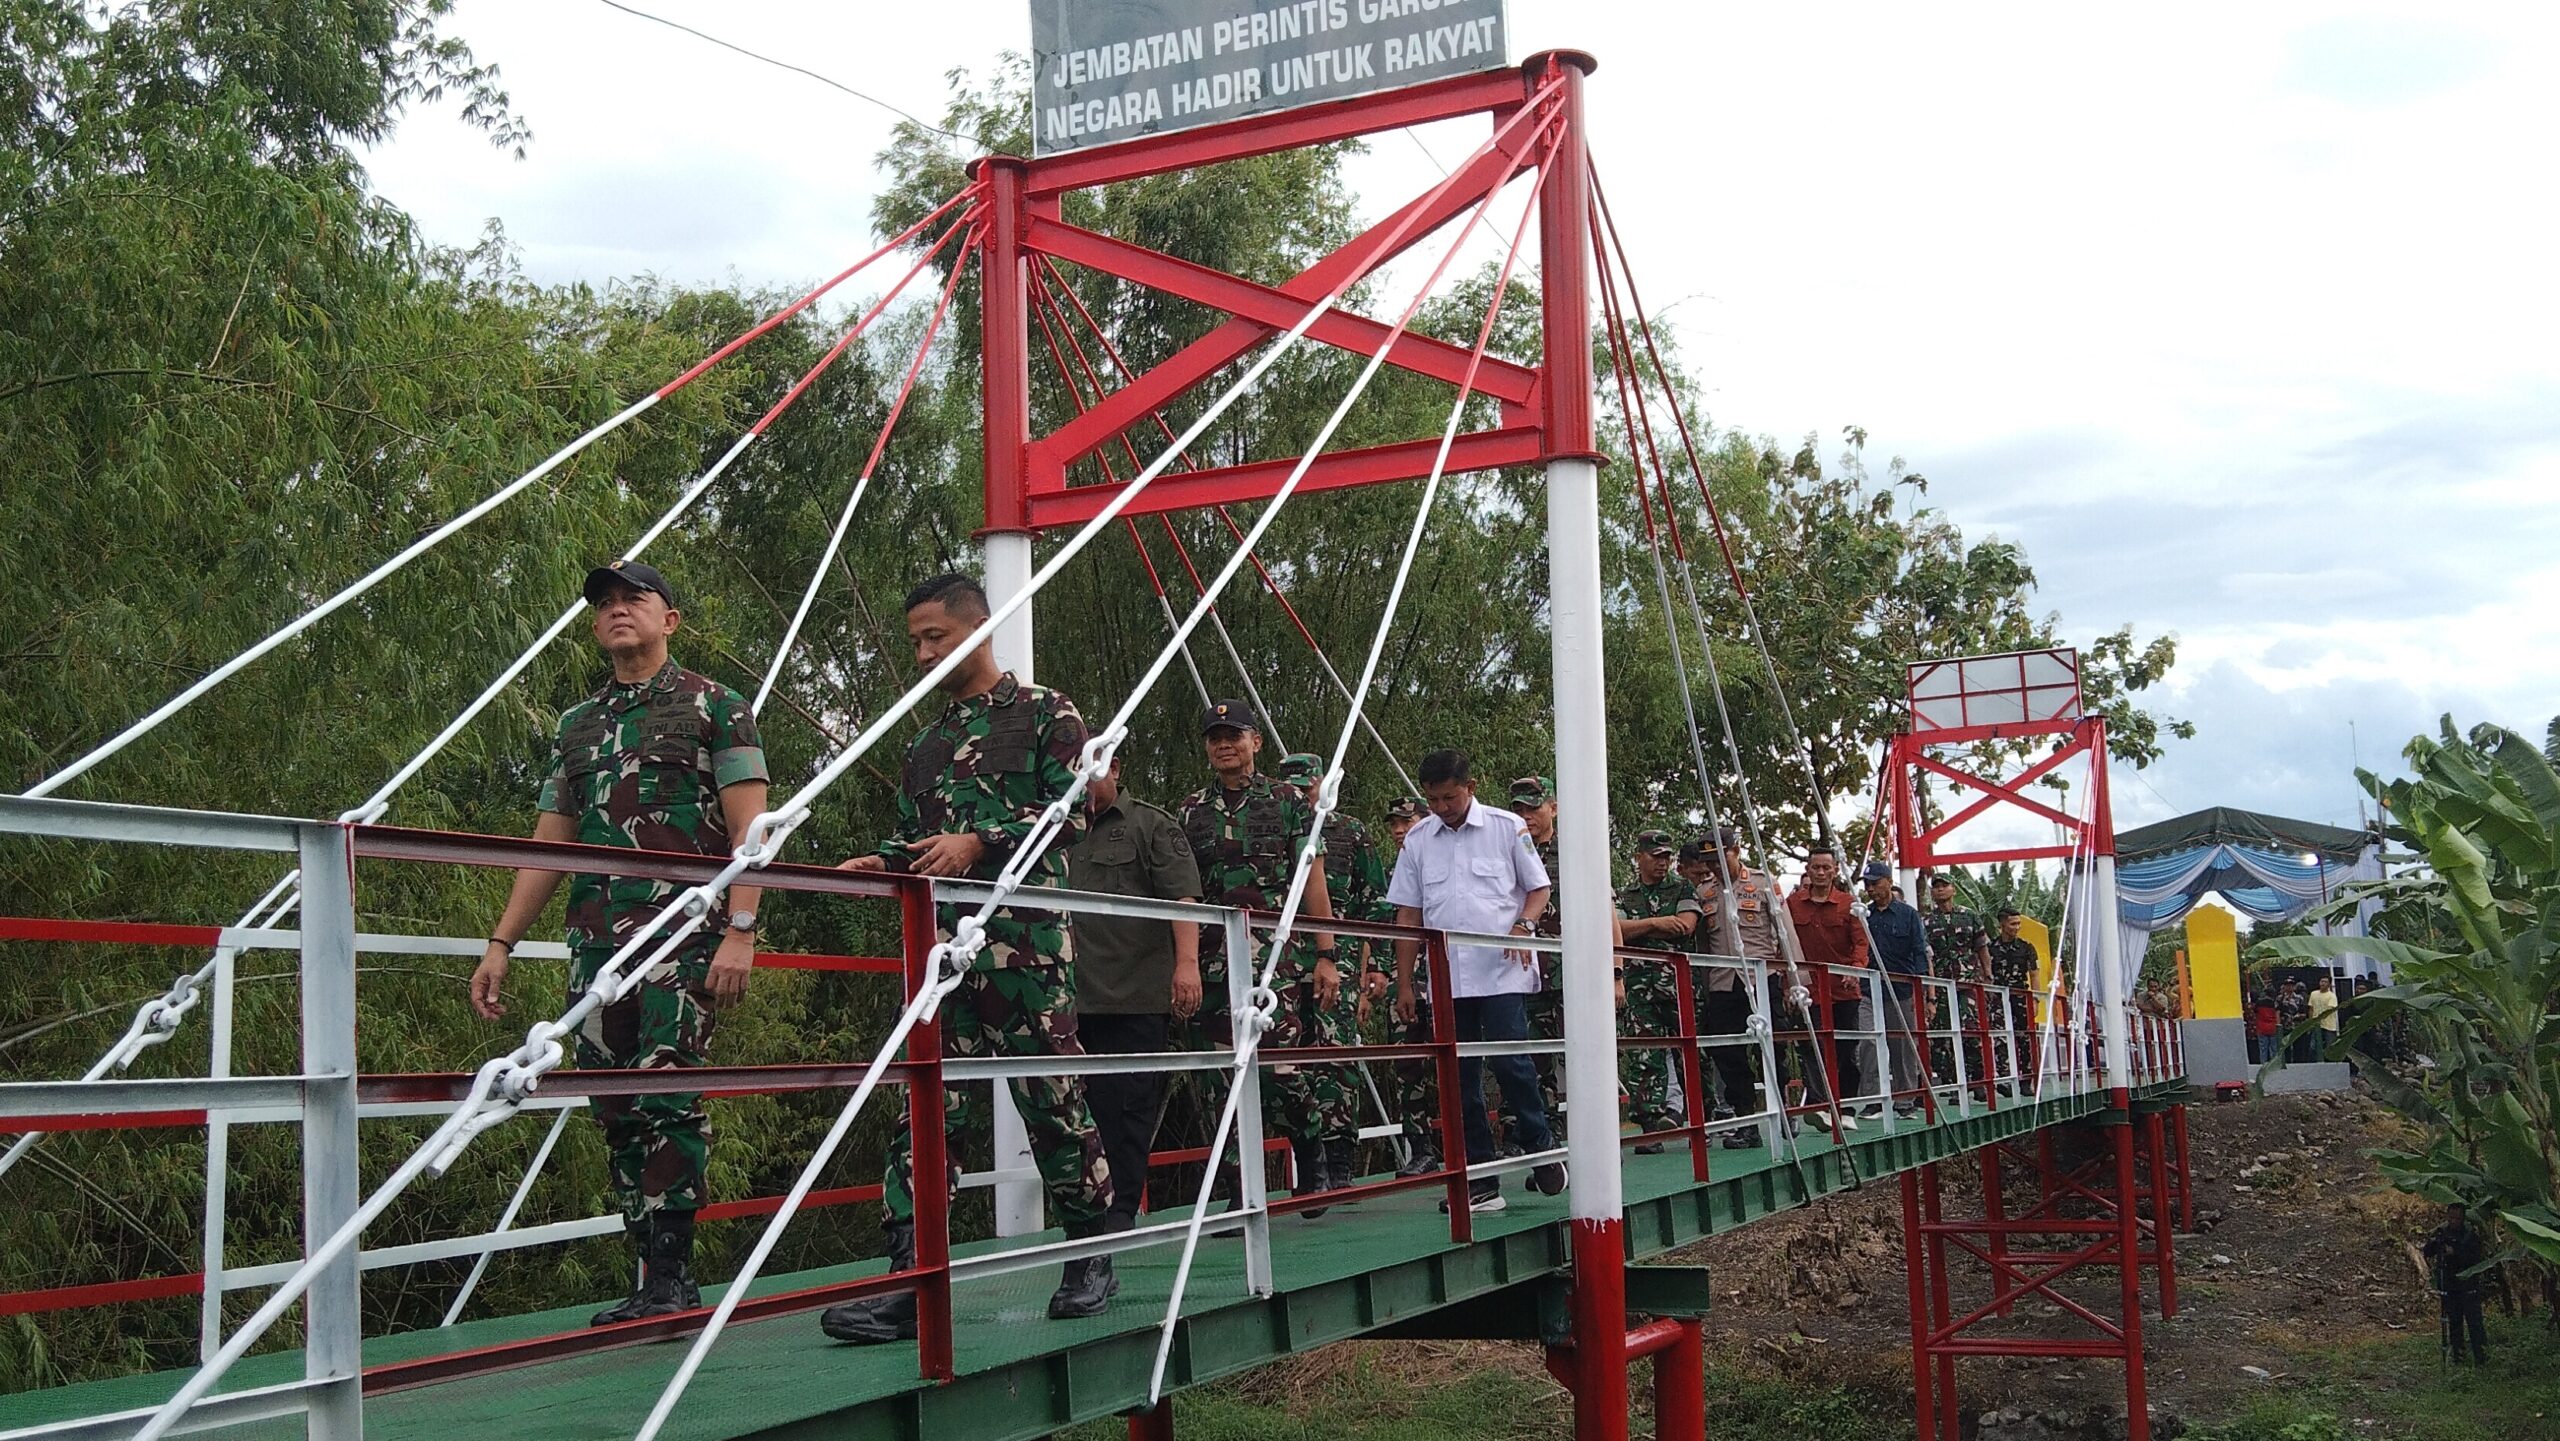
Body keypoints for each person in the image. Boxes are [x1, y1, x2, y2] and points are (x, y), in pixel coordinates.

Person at [820, 574, 1117, 1344]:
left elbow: (1071, 818)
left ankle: (1090, 1255)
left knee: (1052, 1100)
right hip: (941, 955)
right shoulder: (925, 744)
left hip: (1023, 949)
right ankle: (911, 1281)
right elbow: (925, 847)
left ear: (980, 629)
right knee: (924, 1113)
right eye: (915, 640)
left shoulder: (1049, 713)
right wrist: (879, 865)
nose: (922, 653)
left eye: (935, 638)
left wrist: (982, 842)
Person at [472, 560, 768, 1326]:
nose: (616, 611)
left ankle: (672, 1270)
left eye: (633, 598)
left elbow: (751, 833)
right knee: (613, 1104)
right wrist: (502, 939)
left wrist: (741, 930)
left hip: (683, 935)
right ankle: (647, 1271)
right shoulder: (578, 725)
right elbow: (552, 843)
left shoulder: (716, 708)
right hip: (596, 945)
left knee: (667, 1090)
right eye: (603, 603)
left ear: (670, 618)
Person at [1177, 704, 1349, 1214]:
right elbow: (1181, 889)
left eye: (1233, 735)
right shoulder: (1190, 810)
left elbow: (1311, 878)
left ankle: (1310, 1151)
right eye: (1214, 737)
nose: (1223, 745)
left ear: (1255, 741)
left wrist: (1327, 952)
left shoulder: (1289, 802)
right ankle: (1238, 1188)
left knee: (1280, 1070)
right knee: (1218, 1078)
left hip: (1278, 962)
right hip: (1212, 963)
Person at [1390, 749, 1567, 1213]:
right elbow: (1408, 913)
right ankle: (1481, 1179)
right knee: (1458, 1077)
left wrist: (1524, 926)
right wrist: (1404, 982)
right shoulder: (1419, 840)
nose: (1442, 807)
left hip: (1503, 968)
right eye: (1433, 799)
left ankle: (1540, 1144)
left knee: (1512, 1064)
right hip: (1448, 975)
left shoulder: (1507, 828)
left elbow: (1539, 887)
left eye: (1449, 797)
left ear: (1470, 788)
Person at [1063, 749, 1203, 1231]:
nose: (1081, 782)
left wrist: (1186, 965)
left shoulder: (1150, 826)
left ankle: (1121, 1209)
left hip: (1134, 994)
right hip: (1068, 999)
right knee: (1075, 1110)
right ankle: (1088, 1209)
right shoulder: (1055, 829)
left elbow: (1182, 898)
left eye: (1090, 770)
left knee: (1128, 1109)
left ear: (1116, 769)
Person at [1276, 751, 1391, 1193]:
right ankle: (1310, 1158)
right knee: (1287, 1059)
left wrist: (1377, 965)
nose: (1302, 794)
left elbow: (1373, 902)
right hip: (1282, 959)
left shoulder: (1350, 833)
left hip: (1337, 960)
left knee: (1335, 1055)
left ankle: (1339, 1155)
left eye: (1308, 786)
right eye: (1294, 787)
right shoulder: (1273, 827)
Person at [1694, 828, 1793, 1146]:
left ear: (1735, 850)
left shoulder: (1763, 883)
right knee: (1729, 1053)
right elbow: (1701, 943)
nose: (1714, 865)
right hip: (1723, 982)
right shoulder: (1705, 891)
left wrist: (1794, 980)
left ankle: (1783, 1113)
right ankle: (1747, 1120)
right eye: (1709, 859)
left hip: (1761, 977)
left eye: (1720, 856)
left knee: (1772, 1049)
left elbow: (1785, 932)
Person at [1614, 828, 1701, 1152]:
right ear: (1639, 857)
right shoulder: (1626, 895)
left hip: (1678, 986)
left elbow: (1686, 925)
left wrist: (1639, 928)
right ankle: (1650, 1129)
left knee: (1692, 1054)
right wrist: (1656, 924)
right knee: (1644, 1055)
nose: (1663, 863)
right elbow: (1616, 928)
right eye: (1656, 856)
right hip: (1639, 986)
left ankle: (1698, 1122)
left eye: (1667, 857)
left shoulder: (1683, 888)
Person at [1378, 794, 1441, 1175]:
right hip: (1405, 984)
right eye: (1394, 825)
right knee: (1408, 1068)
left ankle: (1466, 1146)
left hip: (1447, 979)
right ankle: (1421, 1149)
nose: (1400, 831)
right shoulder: (1391, 871)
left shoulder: (1444, 862)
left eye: (1408, 822)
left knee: (1458, 1068)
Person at [1786, 851, 1869, 1127]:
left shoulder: (1848, 904)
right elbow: (1784, 944)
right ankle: (1819, 1106)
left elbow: (1860, 941)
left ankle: (1845, 1110)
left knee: (1846, 1050)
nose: (1821, 873)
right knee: (1813, 1046)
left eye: (1826, 868)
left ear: (1835, 871)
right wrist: (1789, 983)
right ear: (1808, 870)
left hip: (1844, 989)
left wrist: (1855, 969)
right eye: (1816, 868)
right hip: (1809, 989)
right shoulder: (1793, 904)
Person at [1508, 774, 1567, 1133]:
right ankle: (1542, 1131)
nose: (1527, 815)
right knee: (1533, 1055)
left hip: (1569, 969)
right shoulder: (1508, 849)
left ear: (1553, 808)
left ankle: (1591, 1130)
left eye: (1534, 807)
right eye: (1519, 809)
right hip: (1526, 970)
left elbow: (1602, 910)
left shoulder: (1576, 849)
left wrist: (1614, 970)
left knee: (1582, 1053)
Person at [1858, 861, 1930, 1116]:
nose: (1871, 889)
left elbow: (1919, 950)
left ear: (1888, 881)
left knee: (1902, 1047)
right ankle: (1874, 1099)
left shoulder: (1908, 915)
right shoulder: (1863, 915)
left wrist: (1922, 989)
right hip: (1869, 990)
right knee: (1868, 1041)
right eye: (1867, 884)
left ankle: (1904, 1100)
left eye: (1875, 883)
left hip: (1900, 990)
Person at [1922, 874, 1989, 1079]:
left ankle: (1978, 1079)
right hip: (1941, 983)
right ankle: (1953, 1082)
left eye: (1944, 886)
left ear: (1954, 890)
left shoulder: (1969, 916)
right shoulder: (1926, 921)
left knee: (1970, 1028)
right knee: (1943, 1034)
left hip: (1967, 981)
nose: (1940, 890)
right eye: (1936, 887)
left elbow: (1982, 947)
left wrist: (1988, 976)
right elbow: (1926, 956)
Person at [2421, 1202, 2490, 1365]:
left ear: (2463, 1218)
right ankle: (2459, 1357)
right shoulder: (2443, 1233)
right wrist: (2435, 1243)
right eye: (2451, 1217)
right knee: (2455, 1323)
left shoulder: (2470, 1235)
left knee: (2474, 1323)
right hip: (2450, 1286)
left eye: (2457, 1218)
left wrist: (2456, 1253)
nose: (2453, 1221)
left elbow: (2475, 1259)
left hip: (2468, 1285)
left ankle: (2482, 1358)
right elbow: (2428, 1252)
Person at [1986, 906, 2040, 1085]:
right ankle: (2005, 1079)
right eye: (2012, 924)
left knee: (2025, 1038)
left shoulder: (2026, 948)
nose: (2016, 927)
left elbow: (2034, 974)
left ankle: (2026, 1081)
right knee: (2001, 1037)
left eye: (2018, 923)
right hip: (1998, 998)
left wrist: (2035, 999)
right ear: (2002, 924)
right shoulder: (1991, 948)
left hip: (2020, 997)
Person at [2277, 980, 2310, 1062]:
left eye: (2291, 985)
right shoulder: (2280, 998)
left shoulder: (2299, 998)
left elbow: (2304, 1013)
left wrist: (2298, 1017)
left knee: (2298, 1047)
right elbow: (2277, 1011)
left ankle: (2298, 1063)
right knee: (2285, 1047)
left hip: (2297, 1026)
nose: (2289, 987)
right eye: (2287, 985)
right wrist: (2278, 1025)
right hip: (2285, 1026)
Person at [2308, 974, 2340, 1057]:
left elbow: (2330, 1010)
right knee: (2313, 1047)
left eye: (2325, 982)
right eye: (2322, 981)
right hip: (2316, 1025)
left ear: (2329, 984)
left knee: (2330, 1047)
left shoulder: (2332, 996)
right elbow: (2311, 1009)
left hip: (2329, 1026)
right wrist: (2310, 1022)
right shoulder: (2313, 994)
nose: (2323, 983)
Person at [2248, 990, 2279, 1065]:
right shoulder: (2275, 1003)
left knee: (2263, 1048)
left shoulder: (2259, 1003)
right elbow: (2277, 1014)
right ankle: (2273, 1064)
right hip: (2272, 1028)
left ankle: (2263, 1064)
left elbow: (2254, 1011)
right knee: (2273, 1048)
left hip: (2262, 1028)